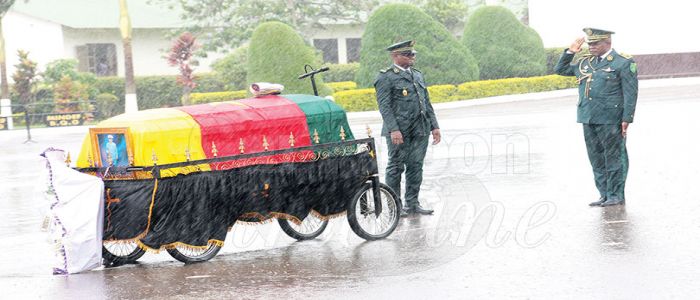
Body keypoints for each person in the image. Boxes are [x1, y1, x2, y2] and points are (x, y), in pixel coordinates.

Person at [554, 28, 638, 207]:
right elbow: (560, 69)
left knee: (614, 157)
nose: (591, 47)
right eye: (589, 43)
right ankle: (604, 194)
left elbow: (630, 93)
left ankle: (616, 195)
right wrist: (570, 52)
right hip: (588, 117)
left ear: (608, 42)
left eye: (595, 43)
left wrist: (627, 118)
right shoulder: (585, 63)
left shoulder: (622, 62)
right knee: (596, 158)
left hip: (611, 118)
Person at [374, 40, 441, 215]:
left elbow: (426, 103)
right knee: (396, 166)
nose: (413, 57)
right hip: (399, 131)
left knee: (416, 165)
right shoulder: (386, 77)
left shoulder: (417, 75)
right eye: (408, 54)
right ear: (395, 56)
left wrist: (435, 126)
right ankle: (395, 205)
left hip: (420, 128)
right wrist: (393, 129)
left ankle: (412, 203)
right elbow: (385, 106)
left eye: (413, 54)